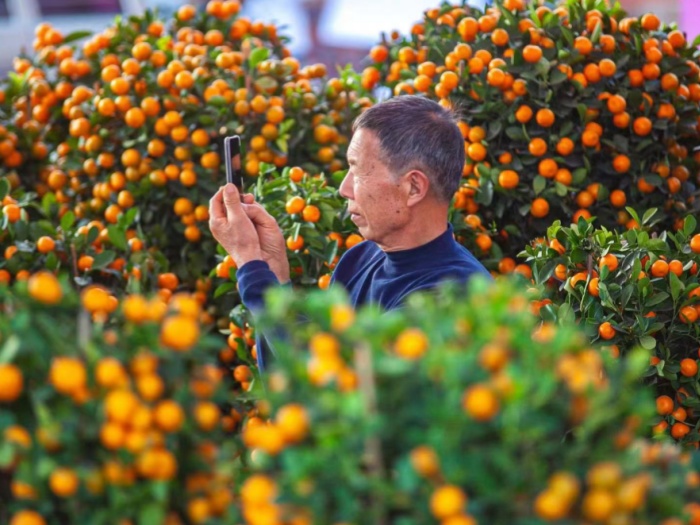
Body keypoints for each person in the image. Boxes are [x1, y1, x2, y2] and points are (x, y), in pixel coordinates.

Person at [209, 95, 491, 369]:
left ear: (413, 188)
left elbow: (339, 387)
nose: (344, 188)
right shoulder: (359, 260)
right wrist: (271, 269)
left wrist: (252, 269)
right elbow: (295, 386)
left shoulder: (454, 296)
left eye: (358, 171)